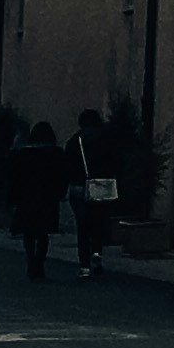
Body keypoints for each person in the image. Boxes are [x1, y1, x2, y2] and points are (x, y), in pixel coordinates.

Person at [6, 120, 68, 282]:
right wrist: (60, 193)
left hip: (26, 199)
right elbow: (62, 176)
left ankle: (30, 260)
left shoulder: (21, 155)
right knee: (43, 233)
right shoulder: (56, 154)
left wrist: (13, 198)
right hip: (47, 199)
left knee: (29, 233)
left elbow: (13, 178)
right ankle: (39, 262)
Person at [66, 110, 115, 278]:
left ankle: (84, 265)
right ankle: (97, 253)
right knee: (98, 223)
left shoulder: (75, 141)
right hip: (101, 186)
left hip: (80, 186)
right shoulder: (107, 140)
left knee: (83, 226)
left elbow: (68, 165)